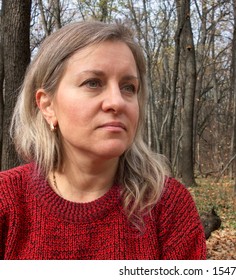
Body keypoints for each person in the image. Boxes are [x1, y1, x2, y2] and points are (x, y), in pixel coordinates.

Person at [0, 21, 206, 260]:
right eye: (93, 83)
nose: (116, 102)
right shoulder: (7, 200)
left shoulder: (168, 206)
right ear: (47, 105)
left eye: (128, 87)